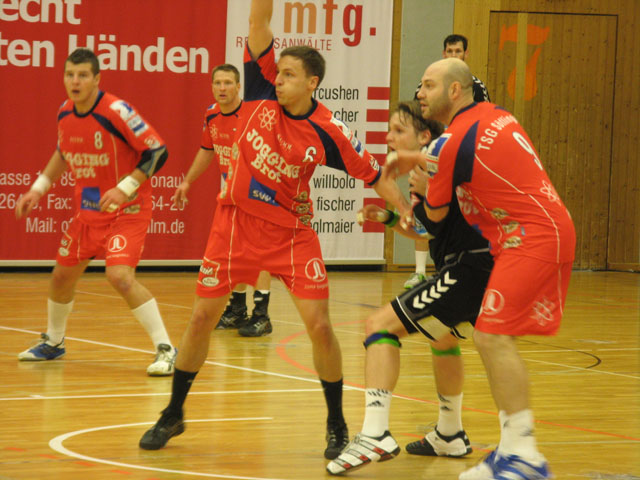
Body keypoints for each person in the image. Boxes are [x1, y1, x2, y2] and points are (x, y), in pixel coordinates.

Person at [138, 0, 410, 460]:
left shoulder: (329, 130)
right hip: (234, 226)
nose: (278, 79)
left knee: (320, 327)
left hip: (291, 234)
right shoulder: (262, 88)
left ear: (312, 82)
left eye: (289, 74)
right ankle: (173, 412)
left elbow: (374, 175)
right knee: (201, 319)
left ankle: (336, 421)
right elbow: (258, 20)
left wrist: (403, 209)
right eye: (278, 72)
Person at [388, 58, 576, 480]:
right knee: (489, 336)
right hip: (537, 230)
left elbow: (432, 222)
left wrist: (416, 186)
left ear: (454, 91)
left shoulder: (449, 142)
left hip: (530, 236)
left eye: (429, 85)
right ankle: (511, 451)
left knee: (492, 336)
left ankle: (523, 455)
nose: (420, 93)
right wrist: (419, 158)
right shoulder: (497, 115)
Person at [326, 100, 493, 475]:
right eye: (388, 130)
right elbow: (425, 228)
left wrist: (428, 187)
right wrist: (388, 217)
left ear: (423, 137)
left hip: (471, 267)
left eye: (398, 130)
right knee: (442, 337)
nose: (389, 137)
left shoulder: (438, 165)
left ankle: (375, 434)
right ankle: (450, 433)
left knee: (379, 325)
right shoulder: (425, 172)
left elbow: (442, 215)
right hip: (472, 267)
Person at [15, 48, 177, 376]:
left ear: (97, 79)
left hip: (127, 209)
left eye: (83, 75)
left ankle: (166, 348)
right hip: (89, 210)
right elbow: (63, 152)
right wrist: (38, 188)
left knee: (119, 276)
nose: (75, 81)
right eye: (70, 75)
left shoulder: (116, 111)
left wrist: (124, 187)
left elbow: (158, 151)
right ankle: (54, 342)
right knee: (61, 276)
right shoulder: (64, 112)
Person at [172, 63, 274, 337]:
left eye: (228, 83)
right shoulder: (211, 114)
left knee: (258, 254)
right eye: (217, 83)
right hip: (231, 194)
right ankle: (237, 310)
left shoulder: (252, 114)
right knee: (234, 253)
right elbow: (207, 150)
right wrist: (187, 181)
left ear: (239, 86)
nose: (222, 88)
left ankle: (262, 315)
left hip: (258, 193)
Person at [405, 34, 490, 290]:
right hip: (432, 156)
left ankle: (456, 267)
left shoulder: (476, 88)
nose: (453, 55)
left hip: (457, 160)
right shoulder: (427, 86)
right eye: (449, 51)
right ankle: (421, 271)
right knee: (423, 206)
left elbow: (480, 126)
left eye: (458, 51)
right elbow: (417, 120)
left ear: (466, 54)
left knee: (448, 210)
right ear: (443, 53)